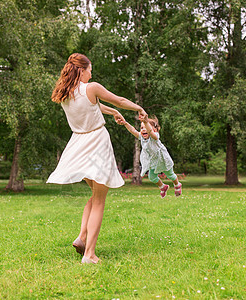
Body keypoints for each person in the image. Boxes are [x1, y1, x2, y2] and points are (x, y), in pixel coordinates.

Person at [46, 53, 147, 264]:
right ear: (81, 70)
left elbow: (95, 106)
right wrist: (139, 108)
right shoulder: (92, 87)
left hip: (78, 145)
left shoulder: (67, 94)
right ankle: (89, 254)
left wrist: (112, 113)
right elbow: (118, 100)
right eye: (90, 69)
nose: (91, 73)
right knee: (100, 199)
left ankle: (82, 238)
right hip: (96, 144)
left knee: (94, 196)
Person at [119, 115, 182, 198]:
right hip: (153, 162)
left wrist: (145, 122)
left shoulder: (154, 136)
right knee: (152, 177)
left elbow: (151, 132)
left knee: (170, 175)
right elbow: (133, 130)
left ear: (155, 130)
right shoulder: (142, 138)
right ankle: (163, 187)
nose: (143, 129)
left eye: (146, 127)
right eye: (141, 128)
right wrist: (125, 123)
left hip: (163, 160)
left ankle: (177, 185)